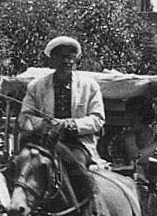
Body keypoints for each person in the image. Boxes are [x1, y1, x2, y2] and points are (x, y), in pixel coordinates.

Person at [18, 35, 105, 166]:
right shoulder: (36, 86)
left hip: (78, 144)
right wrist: (46, 124)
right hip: (43, 141)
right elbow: (25, 117)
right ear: (51, 61)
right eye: (62, 57)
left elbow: (98, 119)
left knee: (75, 165)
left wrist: (70, 124)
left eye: (71, 57)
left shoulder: (90, 86)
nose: (67, 62)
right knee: (24, 165)